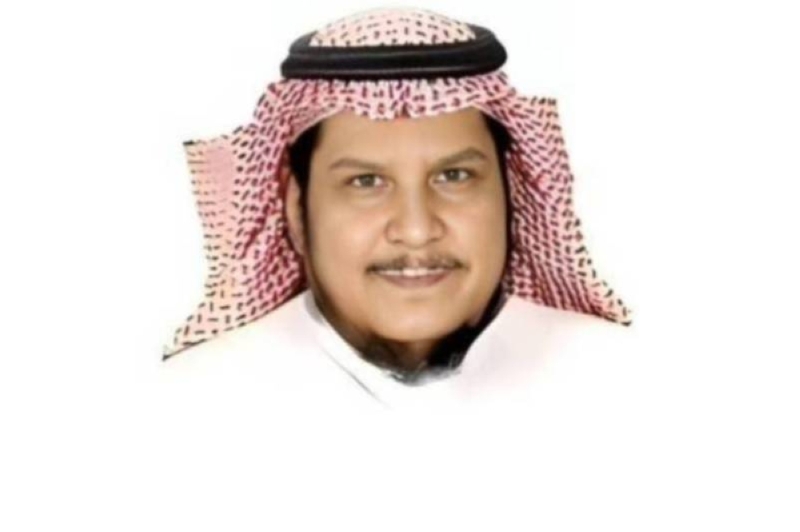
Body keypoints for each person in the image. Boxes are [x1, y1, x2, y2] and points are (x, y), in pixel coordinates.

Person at [160, 7, 633, 411]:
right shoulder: (193, 401)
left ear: (512, 196)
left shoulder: (624, 381)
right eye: (366, 182)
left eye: (454, 176)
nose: (417, 229)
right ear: (297, 211)